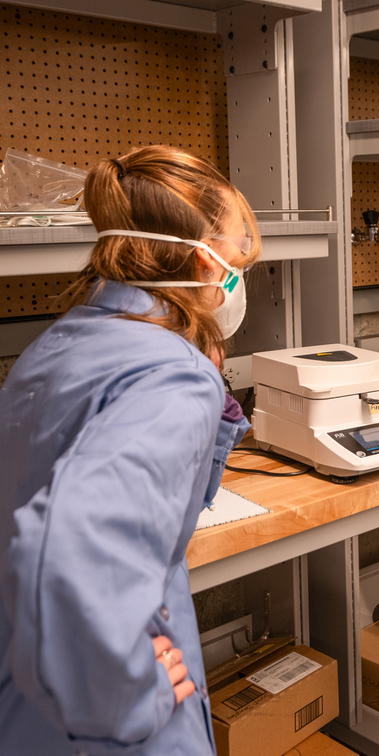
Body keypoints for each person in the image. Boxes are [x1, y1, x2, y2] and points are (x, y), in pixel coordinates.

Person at [0, 146, 259, 755]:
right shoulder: (169, 375)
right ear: (202, 264)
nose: (237, 280)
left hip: (31, 698)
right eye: (234, 263)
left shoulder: (58, 344)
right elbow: (66, 549)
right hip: (107, 724)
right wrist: (131, 694)